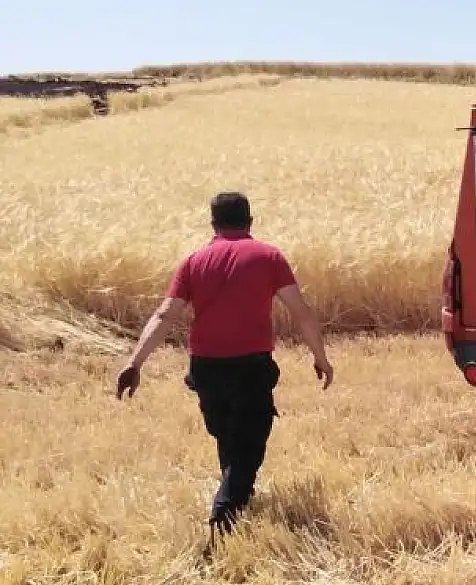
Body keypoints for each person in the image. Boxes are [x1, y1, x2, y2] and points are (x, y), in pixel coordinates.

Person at [114, 191, 334, 541]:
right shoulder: (269, 257)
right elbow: (301, 311)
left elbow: (165, 314)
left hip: (206, 368)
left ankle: (235, 500)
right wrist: (320, 358)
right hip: (250, 367)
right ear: (250, 220)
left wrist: (134, 361)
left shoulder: (193, 261)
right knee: (248, 445)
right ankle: (224, 518)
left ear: (213, 223)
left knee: (229, 439)